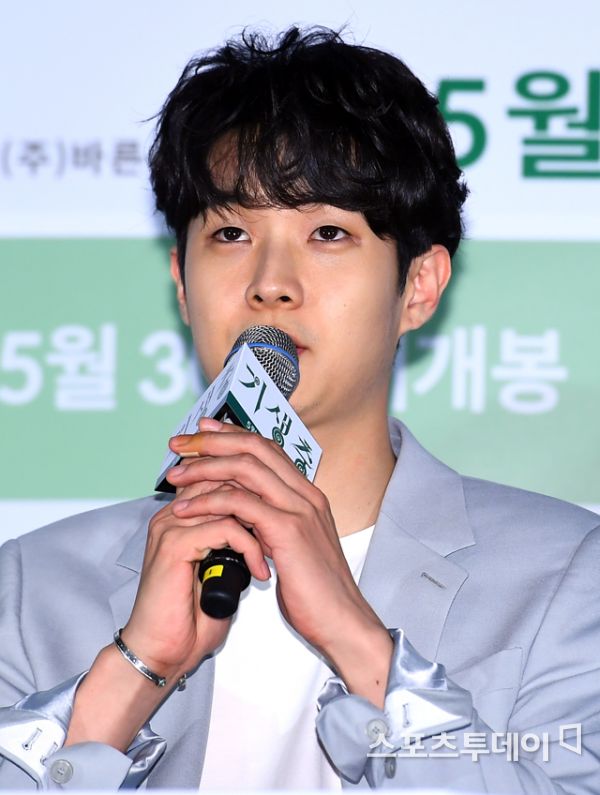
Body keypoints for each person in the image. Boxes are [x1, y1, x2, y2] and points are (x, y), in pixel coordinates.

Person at [0, 26, 598, 793]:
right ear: (181, 282)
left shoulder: (567, 576)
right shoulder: (31, 586)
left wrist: (359, 642)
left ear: (418, 286)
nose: (271, 284)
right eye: (231, 232)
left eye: (327, 232)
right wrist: (133, 670)